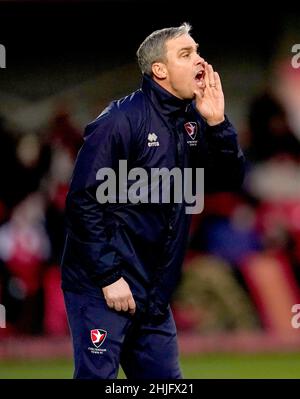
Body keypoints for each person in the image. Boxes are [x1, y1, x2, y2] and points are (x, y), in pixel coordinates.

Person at [61, 22, 245, 379]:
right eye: (186, 54)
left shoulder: (194, 119)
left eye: (199, 51)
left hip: (153, 292)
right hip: (103, 285)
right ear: (159, 70)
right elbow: (83, 203)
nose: (201, 62)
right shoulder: (120, 120)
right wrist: (108, 276)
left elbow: (230, 181)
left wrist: (219, 123)